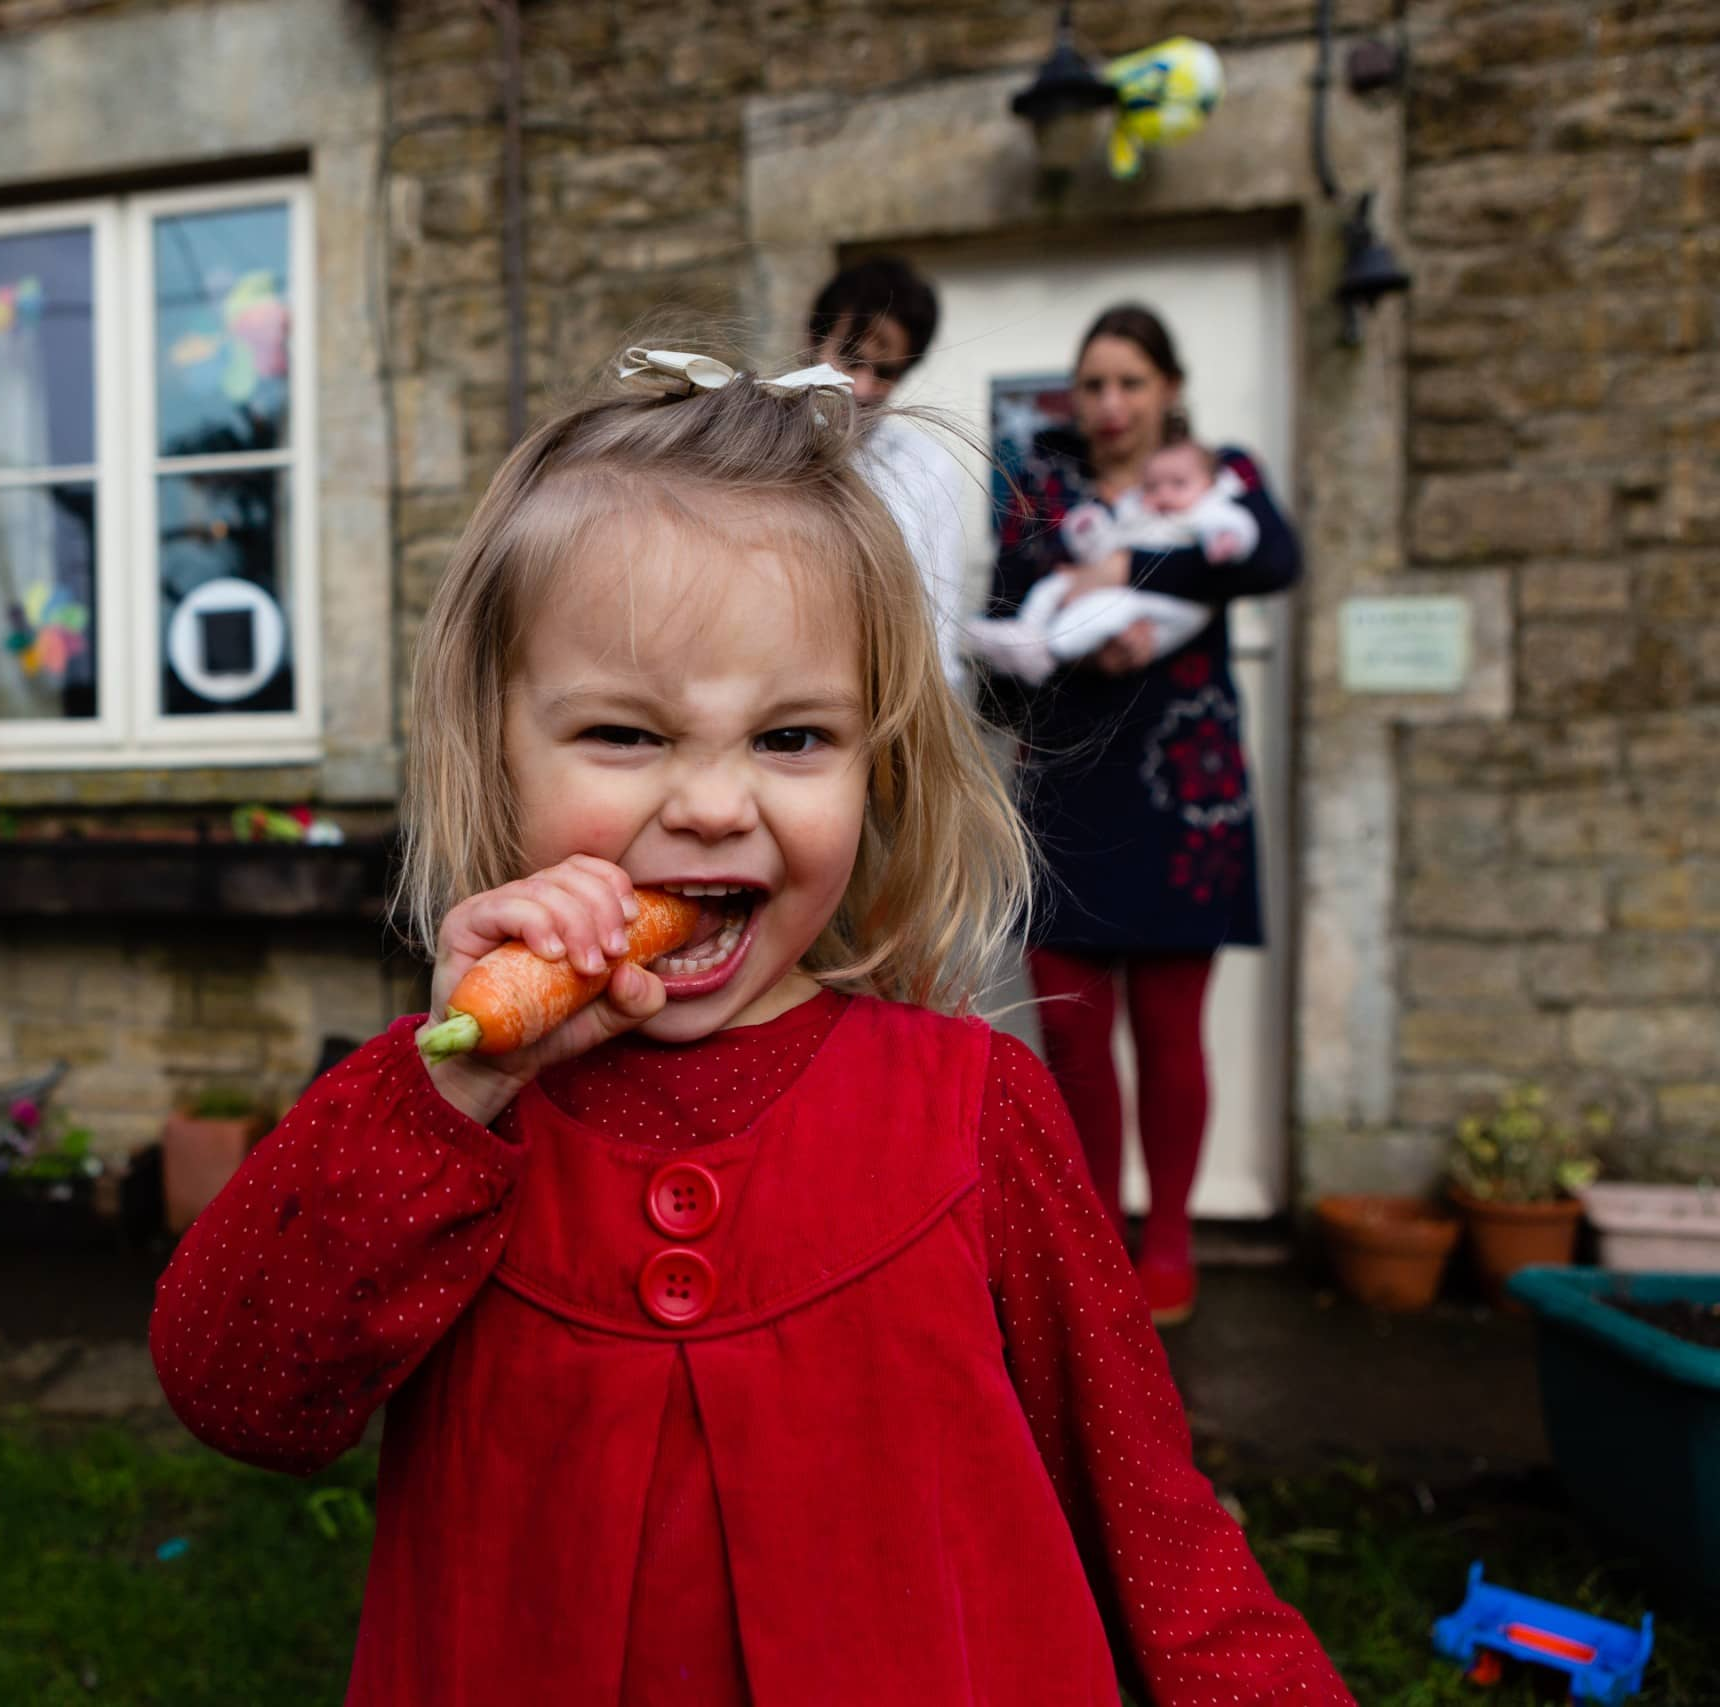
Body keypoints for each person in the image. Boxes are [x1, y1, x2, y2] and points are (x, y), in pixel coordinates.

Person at [153, 341, 1349, 1704]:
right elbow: (238, 1388)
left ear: (877, 761)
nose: (717, 804)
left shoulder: (980, 1109)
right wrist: (451, 1094)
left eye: (792, 738)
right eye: (623, 732)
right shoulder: (439, 1123)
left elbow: (1162, 1537)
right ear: (493, 751)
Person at [983, 304, 1304, 1327]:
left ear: (1167, 388)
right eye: (1093, 385)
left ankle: (1167, 1237)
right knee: (1074, 1039)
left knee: (1171, 1032)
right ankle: (1094, 1239)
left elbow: (1270, 560)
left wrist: (1123, 572)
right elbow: (1011, 614)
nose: (1111, 404)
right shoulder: (1040, 486)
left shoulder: (1223, 471)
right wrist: (1078, 624)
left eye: (1130, 382)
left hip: (1185, 792)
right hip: (1068, 786)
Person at [967, 421, 1260, 686]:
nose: (1164, 494)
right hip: (1118, 595)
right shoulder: (1139, 508)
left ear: (1209, 485)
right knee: (1056, 584)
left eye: (1178, 484)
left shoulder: (1208, 509)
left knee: (1108, 609)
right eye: (1153, 486)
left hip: (1160, 608)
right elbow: (1111, 538)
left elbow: (1243, 532)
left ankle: (1049, 650)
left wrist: (1226, 542)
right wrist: (1088, 529)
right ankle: (1025, 630)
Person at [808, 255, 971, 689]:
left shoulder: (929, 467)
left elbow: (939, 629)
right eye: (849, 359)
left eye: (885, 373)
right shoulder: (756, 445)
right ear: (813, 341)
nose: (862, 388)